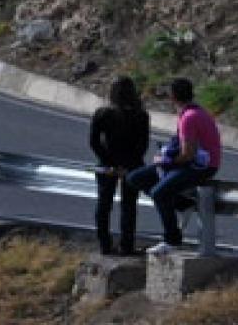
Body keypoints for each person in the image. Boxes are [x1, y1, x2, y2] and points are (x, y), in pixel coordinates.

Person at [126, 78, 222, 254]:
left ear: (172, 97)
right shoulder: (195, 112)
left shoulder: (189, 118)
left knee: (159, 193)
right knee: (135, 178)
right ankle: (182, 204)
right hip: (194, 162)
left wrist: (166, 161)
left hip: (201, 166)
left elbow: (188, 154)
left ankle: (172, 240)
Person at [89, 76, 150, 255]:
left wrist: (109, 161)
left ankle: (105, 245)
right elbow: (142, 145)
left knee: (104, 204)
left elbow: (94, 142)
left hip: (107, 165)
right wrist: (127, 164)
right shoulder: (141, 115)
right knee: (129, 206)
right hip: (132, 165)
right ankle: (127, 245)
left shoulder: (103, 113)